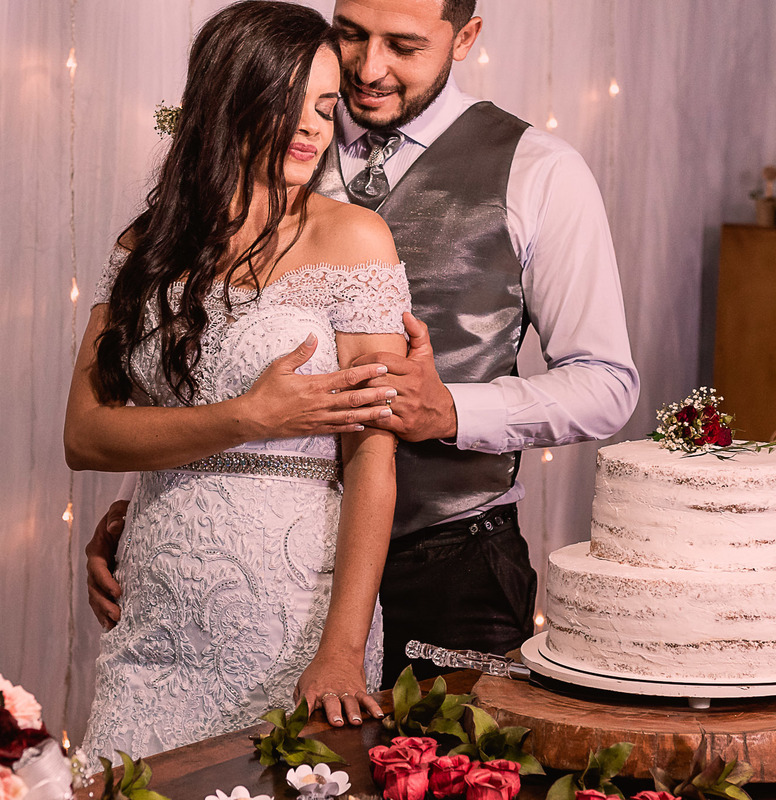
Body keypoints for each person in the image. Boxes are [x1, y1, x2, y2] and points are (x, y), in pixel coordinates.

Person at [86, 0, 639, 690]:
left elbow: (607, 381)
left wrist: (453, 412)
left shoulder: (540, 170)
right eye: (352, 34)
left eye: (403, 47)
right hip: (261, 586)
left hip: (449, 567)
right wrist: (160, 510)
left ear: (465, 37)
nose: (368, 68)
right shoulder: (265, 132)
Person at [66, 1, 409, 761]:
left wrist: (343, 649)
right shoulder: (148, 243)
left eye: (326, 105)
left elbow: (373, 460)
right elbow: (86, 434)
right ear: (230, 98)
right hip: (153, 619)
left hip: (292, 621)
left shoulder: (354, 236)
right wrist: (249, 416)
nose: (313, 127)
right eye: (291, 102)